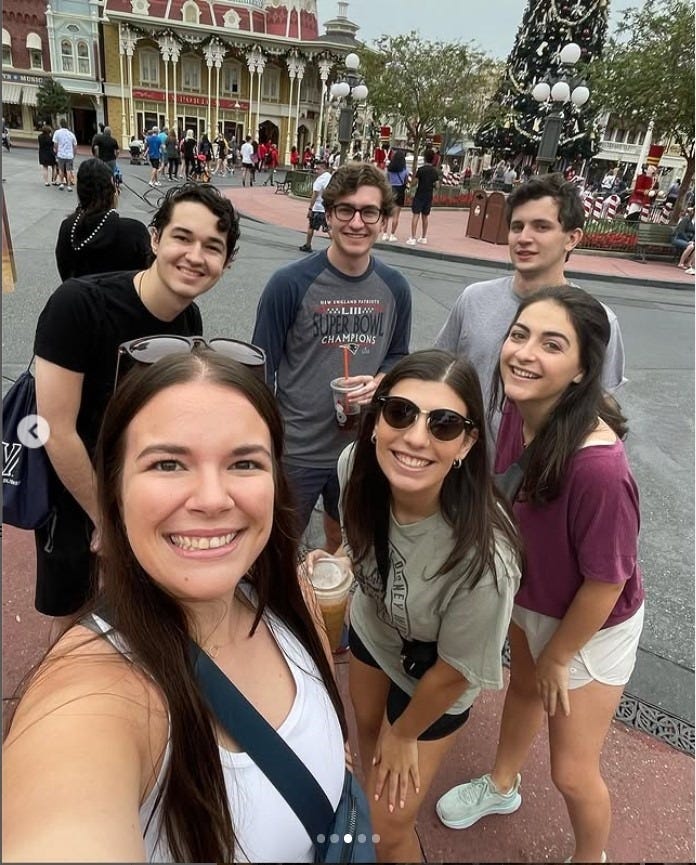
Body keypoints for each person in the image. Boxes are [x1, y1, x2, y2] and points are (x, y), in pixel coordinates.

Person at [3, 351, 348, 862]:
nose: (212, 498)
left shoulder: (287, 600)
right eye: (168, 463)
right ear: (114, 491)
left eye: (244, 462)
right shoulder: (89, 692)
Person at [436, 285, 645, 865]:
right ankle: (502, 786)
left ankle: (590, 857)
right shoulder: (516, 411)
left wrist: (558, 655)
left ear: (583, 371)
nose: (525, 353)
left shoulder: (599, 468)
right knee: (522, 689)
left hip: (590, 623)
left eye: (552, 344)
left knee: (573, 772)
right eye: (520, 335)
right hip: (531, 596)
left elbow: (607, 582)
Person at [305, 349, 521, 861]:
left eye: (444, 425)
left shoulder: (485, 559)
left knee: (386, 824)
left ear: (467, 443)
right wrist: (336, 561)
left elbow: (456, 670)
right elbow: (358, 545)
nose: (417, 438)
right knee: (365, 743)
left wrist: (404, 735)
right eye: (400, 412)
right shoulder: (355, 465)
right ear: (377, 419)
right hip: (373, 633)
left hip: (436, 674)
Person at [33, 184, 240, 620]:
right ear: (155, 239)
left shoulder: (189, 319)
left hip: (148, 489)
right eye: (182, 237)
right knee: (78, 620)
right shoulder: (78, 305)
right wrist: (105, 521)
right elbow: (55, 429)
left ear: (226, 262)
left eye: (212, 247)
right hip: (76, 492)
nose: (195, 256)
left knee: (144, 615)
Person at [252, 162, 412, 553]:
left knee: (345, 541)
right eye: (345, 210)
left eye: (369, 211)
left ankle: (329, 609)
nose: (357, 222)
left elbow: (397, 357)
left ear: (383, 219)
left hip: (360, 449)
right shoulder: (289, 284)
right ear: (329, 215)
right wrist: (262, 446)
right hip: (297, 451)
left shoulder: (395, 288)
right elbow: (260, 370)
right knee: (279, 548)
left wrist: (379, 383)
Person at [434, 173, 626, 438]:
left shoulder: (599, 320)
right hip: (465, 466)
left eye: (541, 227)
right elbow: (440, 375)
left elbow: (601, 412)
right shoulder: (473, 299)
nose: (524, 238)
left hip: (541, 471)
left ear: (572, 238)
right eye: (517, 226)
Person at [54, 158, 152, 280]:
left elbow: (65, 273)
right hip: (124, 298)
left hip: (80, 297)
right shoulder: (134, 230)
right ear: (112, 190)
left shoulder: (68, 227)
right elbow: (150, 275)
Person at [407, 149, 440, 246]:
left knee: (415, 215)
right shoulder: (434, 172)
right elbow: (437, 186)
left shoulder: (420, 170)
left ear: (425, 158)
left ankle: (413, 237)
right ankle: (423, 237)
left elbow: (414, 183)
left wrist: (411, 183)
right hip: (428, 195)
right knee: (425, 217)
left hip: (419, 194)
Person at [298, 164, 334, 252]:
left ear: (324, 169)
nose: (316, 171)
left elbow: (315, 194)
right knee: (328, 228)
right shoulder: (330, 177)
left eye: (318, 169)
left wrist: (310, 208)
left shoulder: (319, 180)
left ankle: (308, 245)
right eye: (315, 169)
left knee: (311, 227)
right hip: (326, 207)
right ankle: (337, 247)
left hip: (318, 207)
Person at [383, 149, 409, 242]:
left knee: (386, 214)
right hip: (400, 191)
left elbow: (386, 180)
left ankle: (384, 233)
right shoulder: (405, 170)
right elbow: (406, 181)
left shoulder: (389, 169)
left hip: (390, 190)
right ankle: (392, 235)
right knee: (396, 215)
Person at [53, 118, 77, 191]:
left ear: (60, 124)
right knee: (69, 170)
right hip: (69, 155)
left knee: (61, 169)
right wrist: (74, 154)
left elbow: (55, 144)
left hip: (61, 154)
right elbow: (75, 145)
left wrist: (56, 152)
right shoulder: (71, 134)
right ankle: (69, 185)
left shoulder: (57, 132)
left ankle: (61, 183)